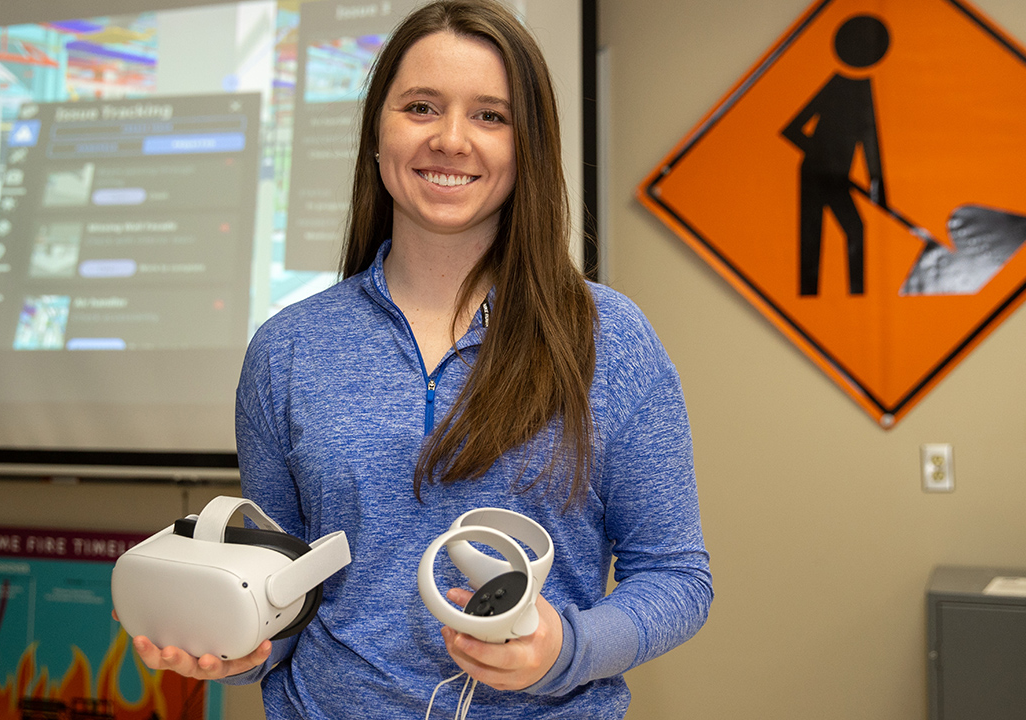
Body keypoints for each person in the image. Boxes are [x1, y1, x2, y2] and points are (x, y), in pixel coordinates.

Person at [130, 0, 713, 717]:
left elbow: (677, 577)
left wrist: (567, 650)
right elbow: (288, 589)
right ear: (378, 132)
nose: (451, 139)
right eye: (421, 107)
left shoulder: (608, 337)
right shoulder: (288, 350)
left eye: (490, 116)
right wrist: (240, 642)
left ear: (529, 145)